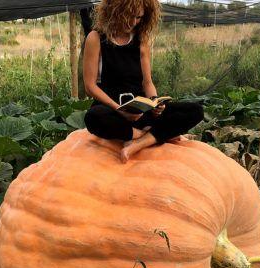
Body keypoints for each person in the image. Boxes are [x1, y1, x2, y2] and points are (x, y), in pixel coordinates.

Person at [82, 0, 204, 163]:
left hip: (141, 111)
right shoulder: (95, 38)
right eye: (128, 16)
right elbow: (90, 86)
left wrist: (154, 103)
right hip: (112, 109)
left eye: (138, 17)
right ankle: (143, 134)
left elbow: (147, 82)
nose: (133, 22)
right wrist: (118, 109)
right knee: (93, 117)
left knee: (195, 110)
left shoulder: (141, 40)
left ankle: (139, 142)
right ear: (114, 11)